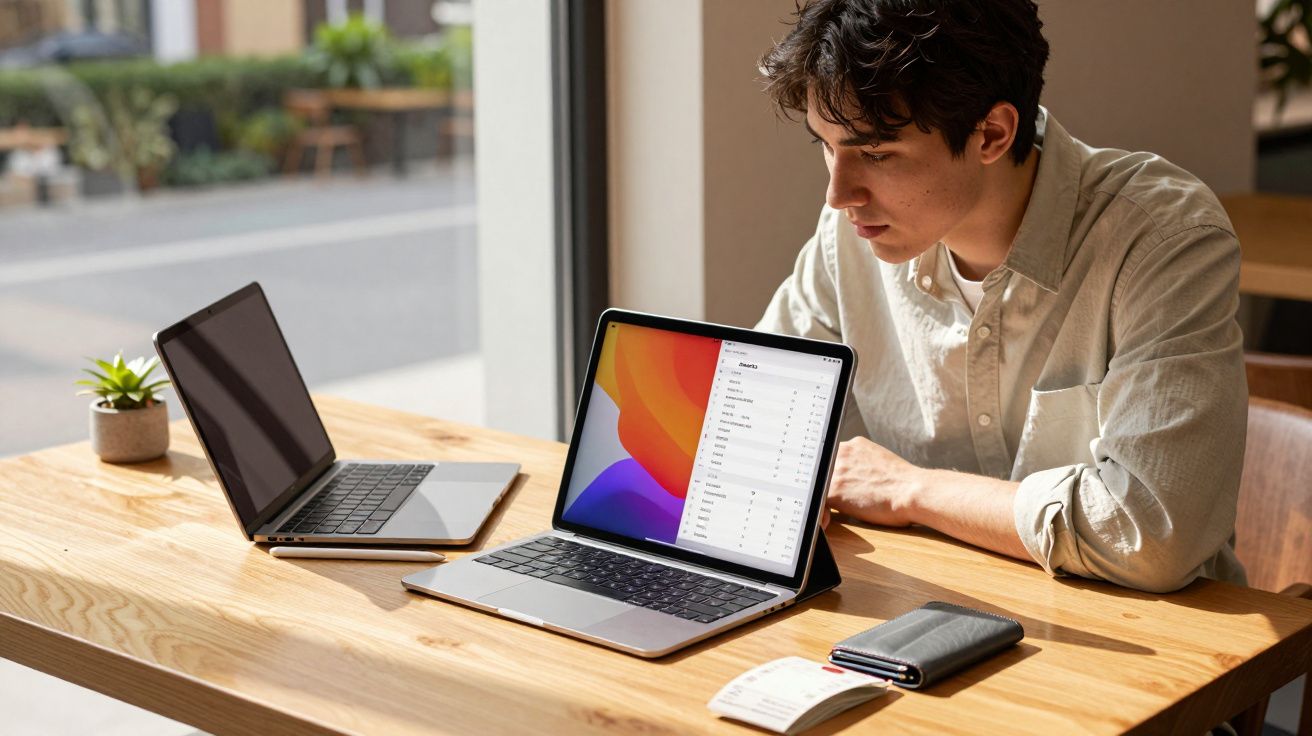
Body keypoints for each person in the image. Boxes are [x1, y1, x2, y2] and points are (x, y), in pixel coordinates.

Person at [756, 0, 1247, 593]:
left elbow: (1150, 536)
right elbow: (758, 424)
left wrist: (911, 489)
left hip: (1144, 644)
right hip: (920, 616)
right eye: (826, 146)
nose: (838, 193)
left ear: (992, 133)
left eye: (877, 154)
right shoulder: (850, 234)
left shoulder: (1161, 238)